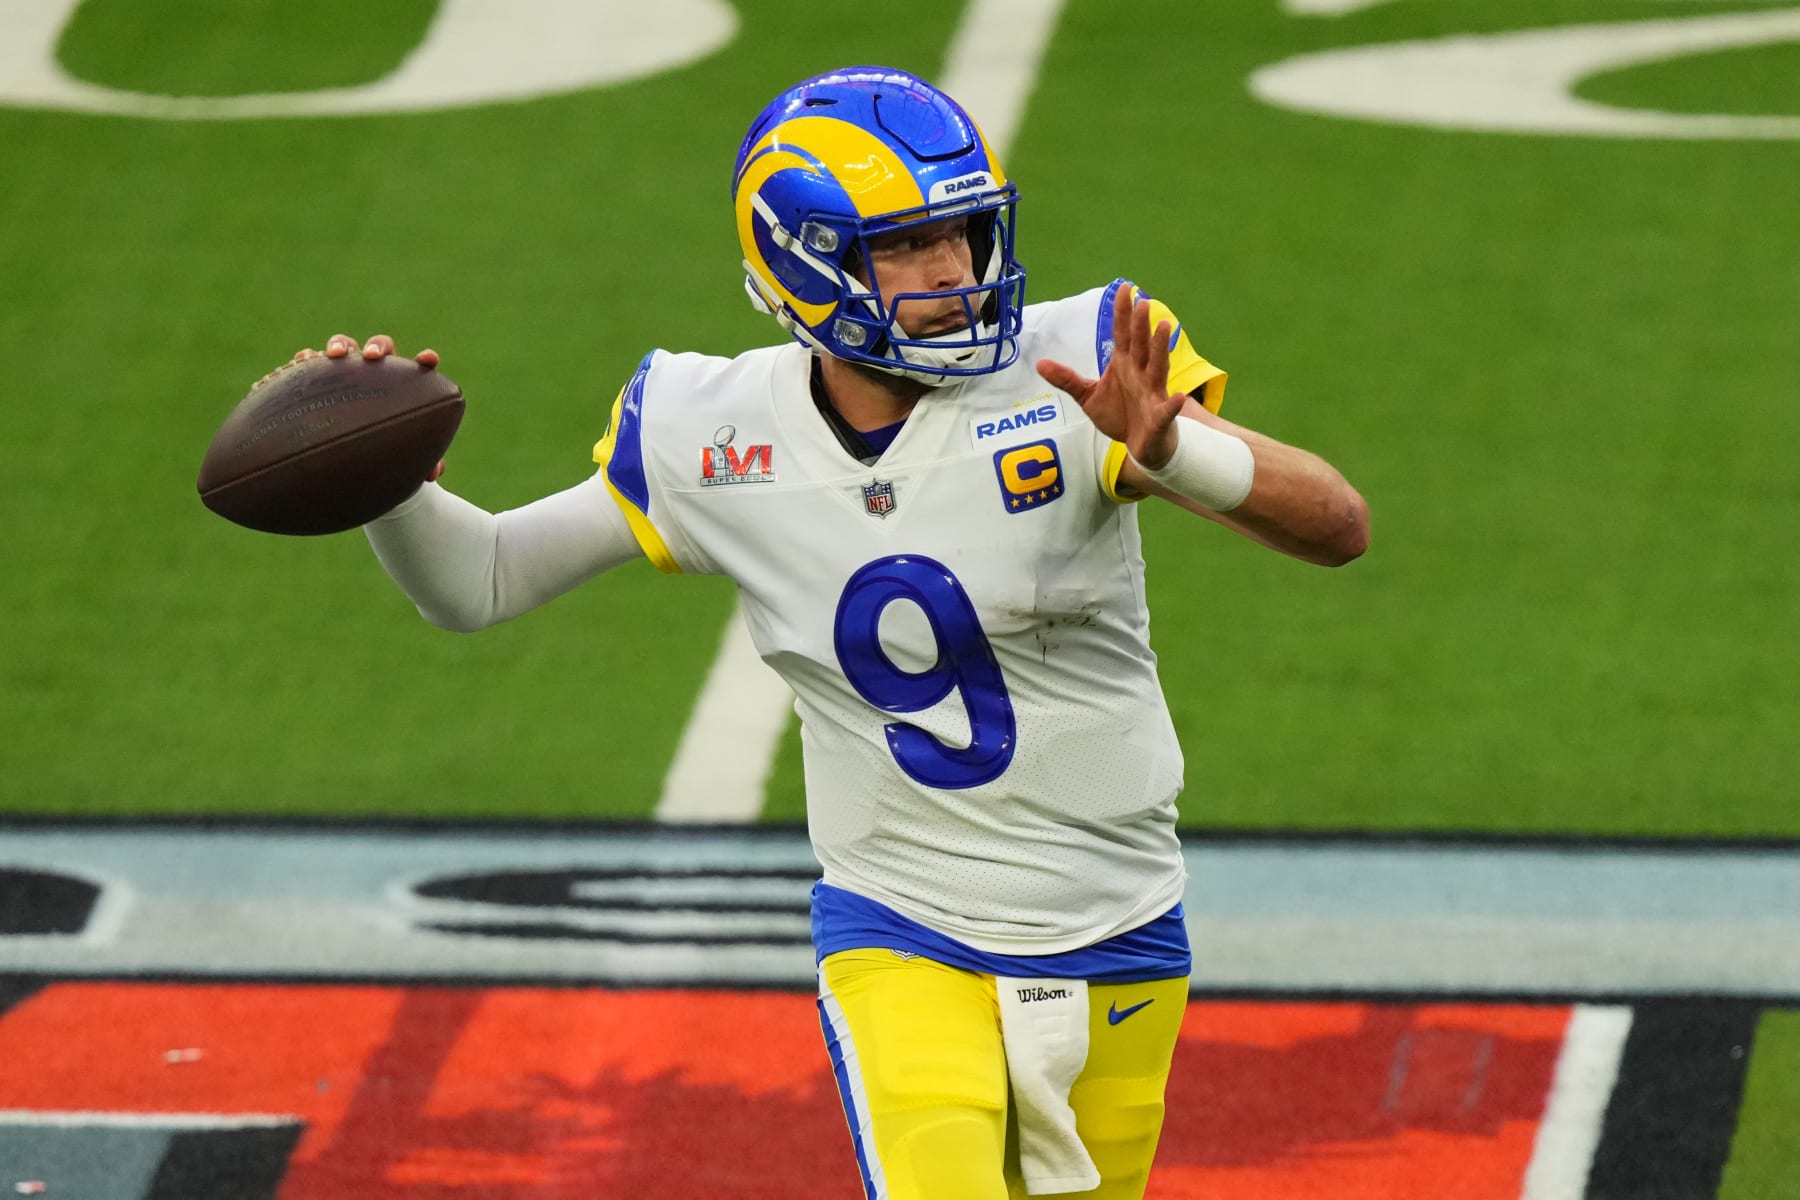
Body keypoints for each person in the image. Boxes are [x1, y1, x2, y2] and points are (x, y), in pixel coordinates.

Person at [311, 66, 1366, 1200]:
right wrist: (389, 486)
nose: (955, 267)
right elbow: (480, 581)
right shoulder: (705, 428)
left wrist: (1176, 452)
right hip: (903, 921)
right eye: (908, 245)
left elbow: (1337, 526)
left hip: (1117, 916)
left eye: (965, 231)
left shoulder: (1083, 365)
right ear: (805, 264)